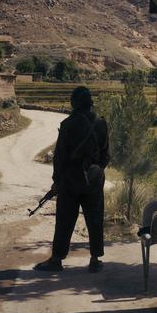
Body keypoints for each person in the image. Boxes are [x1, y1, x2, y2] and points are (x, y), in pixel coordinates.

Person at [34, 86, 110, 273]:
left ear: (74, 102)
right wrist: (96, 170)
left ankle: (57, 259)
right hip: (94, 178)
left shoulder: (68, 124)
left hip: (70, 178)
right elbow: (106, 155)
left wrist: (57, 180)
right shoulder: (101, 123)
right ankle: (95, 259)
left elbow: (60, 156)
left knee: (65, 219)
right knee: (95, 218)